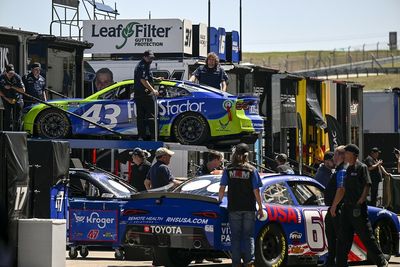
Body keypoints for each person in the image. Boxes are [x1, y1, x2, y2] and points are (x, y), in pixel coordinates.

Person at [336, 144, 388, 267]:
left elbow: (367, 185)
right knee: (343, 238)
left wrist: (360, 201)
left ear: (353, 154)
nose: (345, 156)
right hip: (347, 207)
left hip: (358, 208)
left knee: (367, 237)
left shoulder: (362, 167)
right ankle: (340, 264)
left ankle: (381, 262)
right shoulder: (348, 168)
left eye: (346, 153)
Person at [218, 143, 263, 267]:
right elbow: (256, 190)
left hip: (234, 207)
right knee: (248, 236)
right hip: (249, 207)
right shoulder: (252, 170)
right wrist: (260, 207)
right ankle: (249, 262)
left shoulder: (228, 169)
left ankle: (236, 264)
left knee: (235, 237)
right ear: (247, 155)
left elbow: (222, 188)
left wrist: (219, 201)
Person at [324, 146, 346, 267]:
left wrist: (334, 206)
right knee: (331, 235)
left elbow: (341, 189)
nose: (333, 157)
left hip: (337, 209)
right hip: (332, 209)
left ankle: (340, 262)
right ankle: (330, 261)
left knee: (339, 237)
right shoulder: (338, 170)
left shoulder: (342, 170)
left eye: (335, 155)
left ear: (339, 156)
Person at [133, 50, 160, 141]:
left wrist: (156, 79)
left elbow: (147, 77)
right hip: (143, 95)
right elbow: (143, 80)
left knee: (142, 117)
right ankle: (153, 137)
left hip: (140, 95)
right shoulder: (142, 66)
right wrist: (153, 90)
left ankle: (142, 137)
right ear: (144, 57)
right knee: (150, 116)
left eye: (152, 58)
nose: (151, 60)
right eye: (149, 58)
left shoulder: (145, 65)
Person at [0, 64, 25, 131]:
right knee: (8, 117)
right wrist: (7, 99)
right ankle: (6, 133)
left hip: (17, 98)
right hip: (6, 98)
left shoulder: (17, 77)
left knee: (17, 117)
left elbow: (23, 90)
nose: (11, 74)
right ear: (5, 72)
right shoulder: (1, 77)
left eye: (12, 73)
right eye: (9, 73)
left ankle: (17, 133)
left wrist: (11, 86)